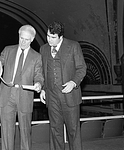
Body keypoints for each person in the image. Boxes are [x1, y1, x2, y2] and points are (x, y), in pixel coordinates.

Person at [0, 25, 44, 150]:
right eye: (21, 38)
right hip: (7, 96)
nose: (23, 42)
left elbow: (39, 75)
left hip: (25, 97)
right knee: (6, 134)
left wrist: (39, 84)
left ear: (32, 40)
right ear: (18, 36)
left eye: (26, 40)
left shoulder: (37, 57)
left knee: (25, 134)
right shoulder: (8, 50)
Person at [39, 21, 87, 150]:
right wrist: (43, 89)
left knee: (73, 131)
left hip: (69, 96)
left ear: (61, 37)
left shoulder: (73, 46)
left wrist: (73, 82)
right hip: (52, 96)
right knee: (55, 130)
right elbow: (42, 72)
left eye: (53, 37)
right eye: (48, 36)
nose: (49, 40)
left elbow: (82, 68)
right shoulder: (43, 49)